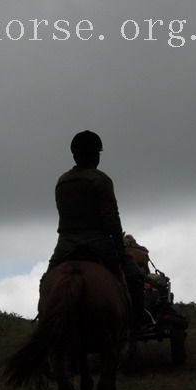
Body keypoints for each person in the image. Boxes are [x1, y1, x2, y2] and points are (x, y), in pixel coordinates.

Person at [44, 130, 150, 334]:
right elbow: (111, 218)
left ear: (74, 155)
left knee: (46, 281)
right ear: (96, 155)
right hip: (97, 242)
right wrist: (120, 249)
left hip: (66, 244)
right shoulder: (101, 180)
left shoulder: (62, 181)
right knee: (135, 277)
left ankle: (44, 324)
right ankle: (137, 323)